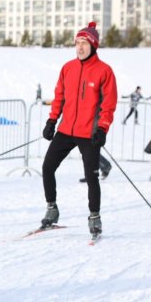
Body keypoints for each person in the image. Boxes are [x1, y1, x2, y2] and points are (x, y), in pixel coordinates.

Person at [39, 22, 118, 237]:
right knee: (47, 168)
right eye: (77, 43)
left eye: (84, 43)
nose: (80, 47)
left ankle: (95, 217)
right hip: (66, 130)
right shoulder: (68, 68)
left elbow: (108, 105)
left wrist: (102, 129)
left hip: (89, 133)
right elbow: (59, 97)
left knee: (91, 177)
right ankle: (52, 209)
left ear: (93, 45)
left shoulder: (104, 71)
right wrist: (51, 121)